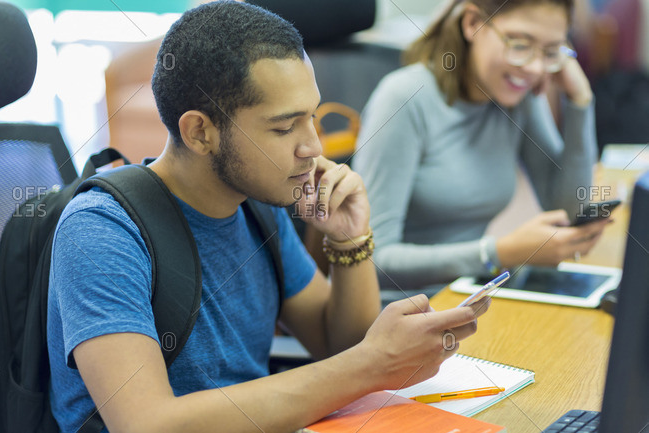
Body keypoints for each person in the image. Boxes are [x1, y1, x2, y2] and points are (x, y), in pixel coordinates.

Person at [47, 2, 490, 432]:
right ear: (200, 132)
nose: (313, 146)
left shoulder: (257, 204)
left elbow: (340, 345)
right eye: (284, 127)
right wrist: (370, 364)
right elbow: (147, 423)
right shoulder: (102, 231)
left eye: (312, 118)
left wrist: (349, 241)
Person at [352, 0, 609, 292]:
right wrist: (496, 254)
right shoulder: (404, 99)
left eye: (551, 52)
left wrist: (581, 100)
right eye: (520, 44)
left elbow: (566, 211)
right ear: (473, 23)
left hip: (467, 297)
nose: (536, 67)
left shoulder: (517, 96)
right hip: (399, 312)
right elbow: (371, 262)